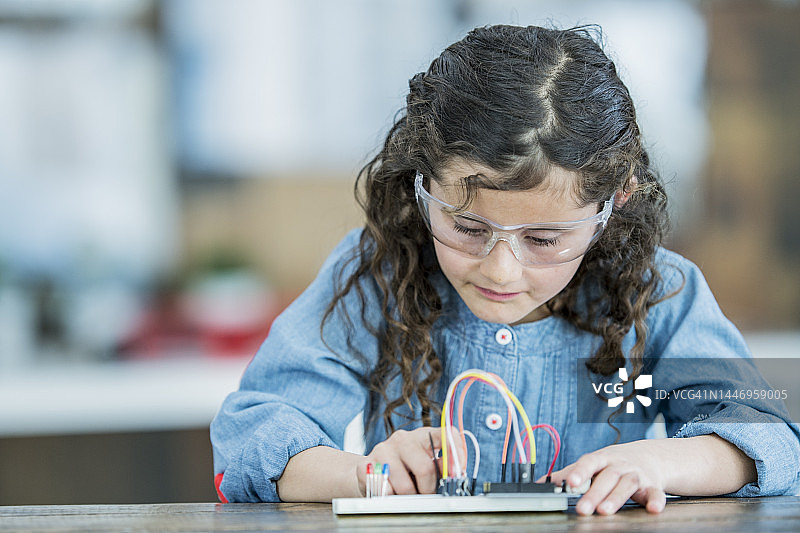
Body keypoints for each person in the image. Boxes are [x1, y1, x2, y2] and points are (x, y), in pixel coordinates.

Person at [210, 24, 800, 515]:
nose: (501, 268)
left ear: (611, 206)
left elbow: (771, 435)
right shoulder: (379, 273)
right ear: (421, 185)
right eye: (467, 227)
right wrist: (367, 474)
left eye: (544, 238)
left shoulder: (659, 292)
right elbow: (255, 435)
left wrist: (656, 461)